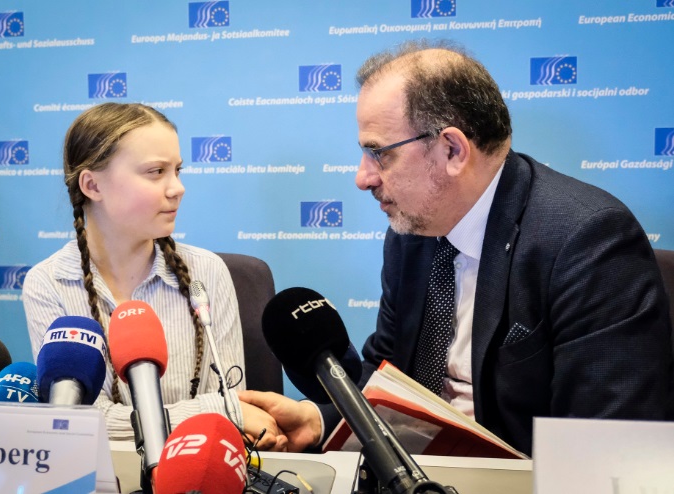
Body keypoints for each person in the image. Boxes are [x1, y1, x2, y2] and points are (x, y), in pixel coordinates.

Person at [240, 40, 673, 456]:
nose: (363, 177)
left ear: (452, 149)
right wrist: (319, 421)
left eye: (379, 154)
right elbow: (389, 380)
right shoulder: (411, 234)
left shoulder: (587, 241)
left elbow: (604, 445)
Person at [22, 102, 283, 448]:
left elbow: (235, 412)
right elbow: (76, 420)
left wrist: (224, 413)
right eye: (156, 172)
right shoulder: (48, 284)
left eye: (177, 170)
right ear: (92, 186)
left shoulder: (206, 273)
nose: (177, 188)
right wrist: (211, 411)